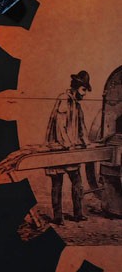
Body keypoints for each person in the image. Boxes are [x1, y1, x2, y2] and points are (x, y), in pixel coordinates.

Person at [45, 70, 91, 225]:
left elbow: (82, 127)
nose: (85, 94)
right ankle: (58, 217)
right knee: (57, 182)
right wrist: (67, 144)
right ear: (76, 87)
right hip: (58, 148)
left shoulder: (77, 105)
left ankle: (78, 214)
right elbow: (60, 126)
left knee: (77, 181)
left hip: (71, 149)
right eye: (83, 89)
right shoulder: (64, 99)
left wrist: (87, 142)